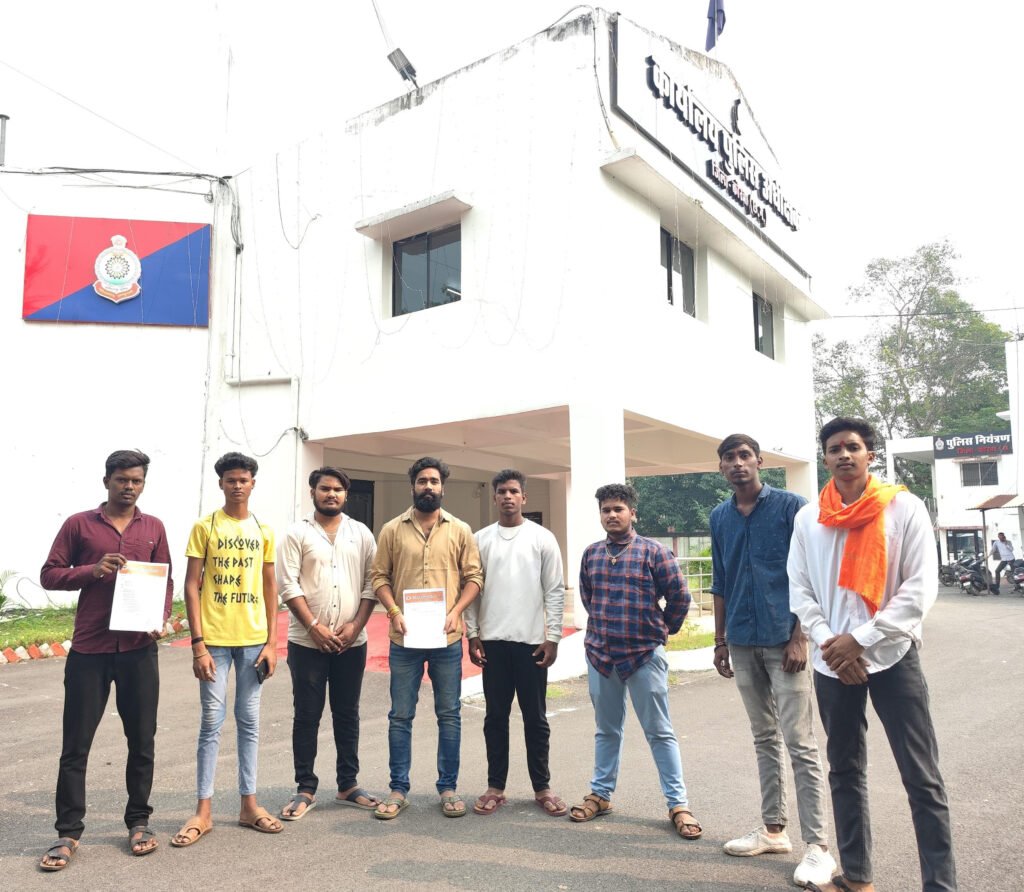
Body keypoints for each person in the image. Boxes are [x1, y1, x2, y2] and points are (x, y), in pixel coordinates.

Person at [788, 417, 957, 892]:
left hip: (892, 656)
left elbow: (919, 589)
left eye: (853, 446)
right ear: (825, 458)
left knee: (921, 776)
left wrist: (860, 639)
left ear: (870, 455)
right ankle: (857, 877)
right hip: (831, 663)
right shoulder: (809, 519)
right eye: (834, 448)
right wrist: (832, 644)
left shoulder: (903, 508)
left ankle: (940, 885)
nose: (844, 454)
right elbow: (800, 589)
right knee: (844, 770)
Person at [709, 434, 836, 888]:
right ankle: (773, 830)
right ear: (721, 467)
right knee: (764, 736)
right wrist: (720, 640)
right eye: (729, 458)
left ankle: (819, 847)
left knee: (800, 742)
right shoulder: (719, 516)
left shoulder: (791, 508)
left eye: (745, 456)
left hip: (786, 641)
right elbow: (720, 580)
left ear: (760, 461)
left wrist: (801, 636)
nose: (738, 463)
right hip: (742, 639)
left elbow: (809, 574)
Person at [38, 450, 173, 871]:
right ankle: (67, 832)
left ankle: (139, 822)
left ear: (143, 484)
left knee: (142, 742)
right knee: (75, 746)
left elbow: (165, 578)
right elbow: (49, 574)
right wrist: (91, 571)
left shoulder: (153, 527)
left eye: (136, 480)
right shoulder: (79, 524)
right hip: (90, 651)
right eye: (121, 479)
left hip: (138, 650)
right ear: (107, 481)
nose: (129, 486)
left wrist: (160, 618)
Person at [570, 483, 702, 839]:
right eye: (606, 510)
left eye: (618, 509)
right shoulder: (592, 554)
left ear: (633, 513)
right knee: (606, 730)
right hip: (601, 655)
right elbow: (588, 597)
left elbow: (680, 597)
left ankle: (678, 804)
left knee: (659, 731)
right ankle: (600, 794)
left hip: (644, 656)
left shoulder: (654, 552)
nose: (612, 515)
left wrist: (660, 631)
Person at [172, 452, 281, 846]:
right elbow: (191, 585)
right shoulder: (205, 527)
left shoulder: (263, 530)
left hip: (253, 642)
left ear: (253, 484)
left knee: (249, 722)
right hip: (215, 641)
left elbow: (270, 586)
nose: (237, 485)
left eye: (243, 479)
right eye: (231, 480)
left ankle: (249, 805)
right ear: (221, 483)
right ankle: (203, 811)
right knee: (211, 722)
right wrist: (197, 644)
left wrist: (272, 642)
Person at [371, 457, 483, 819]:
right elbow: (379, 577)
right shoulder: (392, 530)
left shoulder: (460, 530)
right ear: (413, 486)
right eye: (422, 481)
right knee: (400, 715)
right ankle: (397, 789)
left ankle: (448, 788)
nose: (428, 487)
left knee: (449, 714)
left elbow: (474, 578)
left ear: (443, 487)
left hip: (446, 640)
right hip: (404, 639)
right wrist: (394, 611)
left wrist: (456, 611)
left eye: (434, 481)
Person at [277, 467, 380, 819]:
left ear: (346, 495)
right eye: (325, 488)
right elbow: (288, 585)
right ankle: (305, 787)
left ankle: (348, 784)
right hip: (307, 643)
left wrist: (355, 626)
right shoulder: (297, 533)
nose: (331, 494)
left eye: (338, 489)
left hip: (352, 642)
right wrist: (314, 627)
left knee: (347, 713)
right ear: (313, 492)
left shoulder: (361, 533)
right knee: (307, 714)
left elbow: (372, 583)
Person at [465, 469, 567, 817]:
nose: (507, 497)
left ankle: (543, 787)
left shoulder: (542, 538)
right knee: (495, 717)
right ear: (494, 497)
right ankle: (496, 787)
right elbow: (471, 591)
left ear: (524, 497)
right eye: (502, 492)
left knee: (535, 718)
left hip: (531, 644)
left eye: (513, 491)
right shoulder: (479, 540)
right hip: (492, 644)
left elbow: (554, 590)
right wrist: (473, 634)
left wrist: (553, 637)